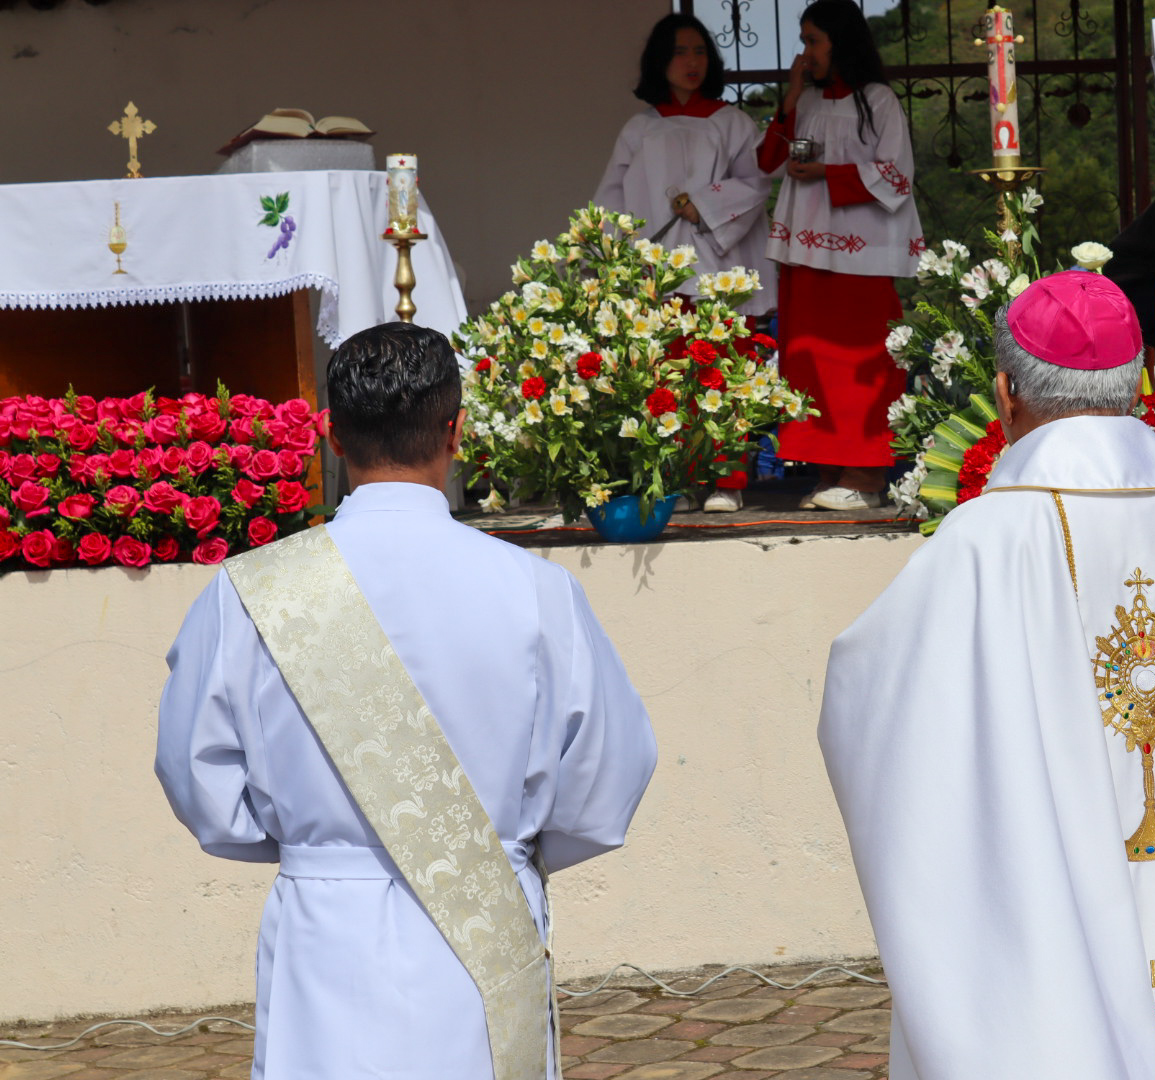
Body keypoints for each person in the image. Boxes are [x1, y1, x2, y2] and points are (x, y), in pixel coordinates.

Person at [818, 272, 1155, 1079]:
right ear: (1139, 387)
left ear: (1005, 393)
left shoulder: (981, 546)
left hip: (1054, 950)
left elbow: (870, 713)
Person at [155, 323, 657, 1080]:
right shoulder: (536, 590)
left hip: (323, 938)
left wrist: (317, 850)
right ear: (457, 430)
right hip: (484, 926)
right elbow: (606, 777)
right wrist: (501, 853)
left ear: (332, 435)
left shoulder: (249, 595)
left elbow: (202, 785)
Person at [595, 13, 771, 512]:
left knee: (724, 374)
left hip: (720, 264)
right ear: (659, 62)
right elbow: (612, 197)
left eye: (699, 52)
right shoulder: (640, 129)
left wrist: (707, 205)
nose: (691, 62)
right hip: (659, 272)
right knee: (666, 377)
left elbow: (755, 184)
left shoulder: (733, 122)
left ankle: (728, 482)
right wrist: (609, 257)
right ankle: (680, 480)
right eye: (678, 53)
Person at [758, 0, 923, 511]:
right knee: (809, 363)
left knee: (862, 367)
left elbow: (897, 174)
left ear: (840, 42)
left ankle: (868, 479)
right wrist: (788, 97)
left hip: (863, 257)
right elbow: (767, 161)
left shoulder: (878, 100)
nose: (805, 53)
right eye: (803, 42)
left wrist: (829, 174)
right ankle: (832, 475)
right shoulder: (803, 102)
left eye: (813, 41)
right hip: (806, 250)